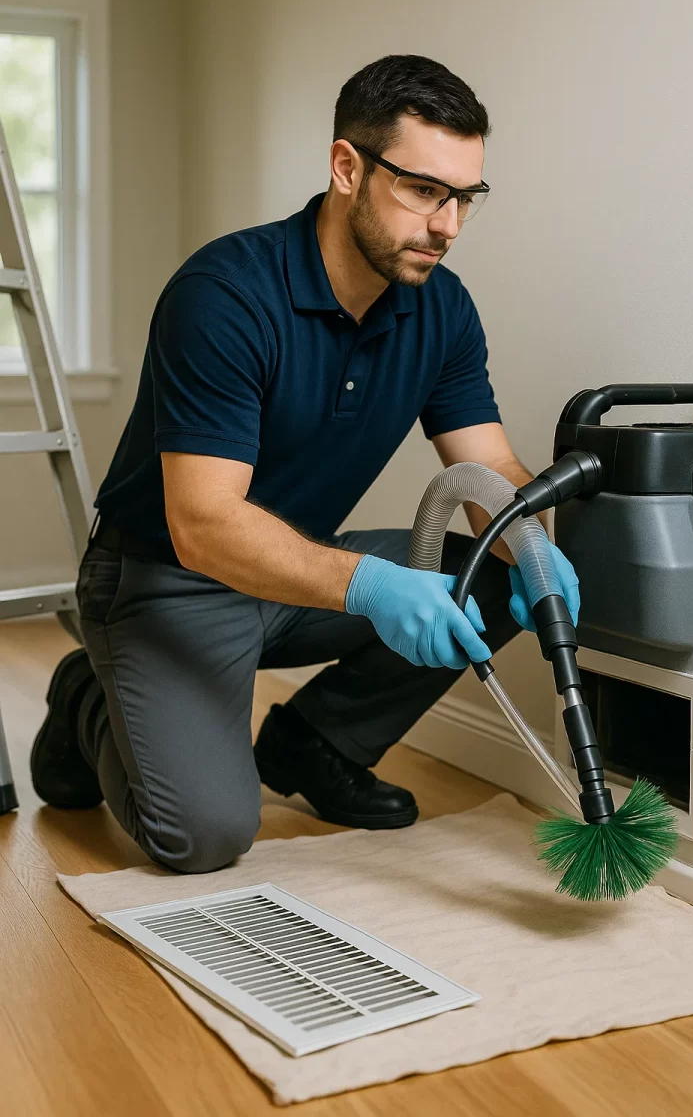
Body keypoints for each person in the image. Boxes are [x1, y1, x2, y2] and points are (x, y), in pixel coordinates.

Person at [30, 54, 579, 874]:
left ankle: (312, 746)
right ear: (346, 168)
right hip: (168, 582)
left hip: (294, 576)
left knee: (492, 573)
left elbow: (487, 465)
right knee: (205, 837)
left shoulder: (441, 306)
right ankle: (88, 693)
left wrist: (534, 549)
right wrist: (373, 585)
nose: (448, 225)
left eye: (465, 197)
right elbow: (204, 523)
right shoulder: (224, 294)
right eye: (424, 190)